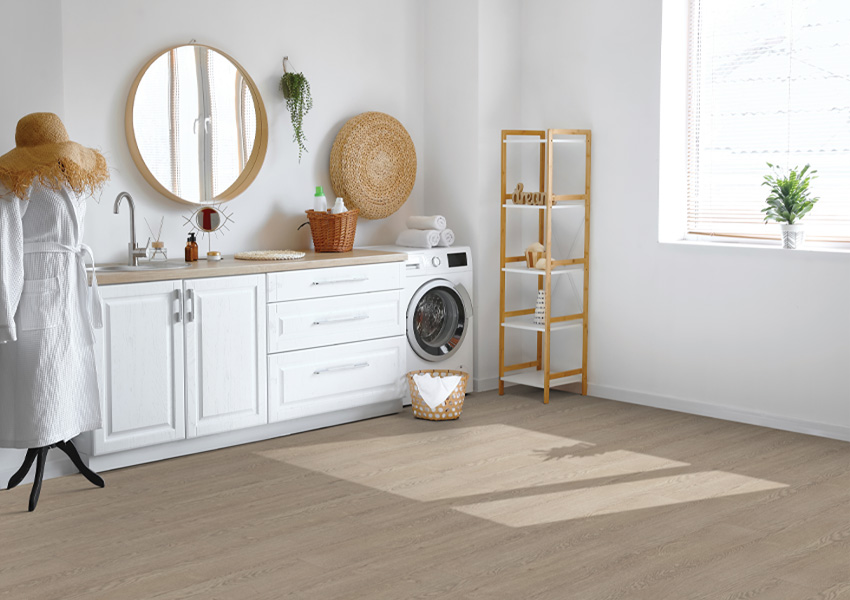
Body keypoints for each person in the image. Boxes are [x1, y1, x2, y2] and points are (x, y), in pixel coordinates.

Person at [0, 112, 109, 510]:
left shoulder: (70, 175)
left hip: (68, 282)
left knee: (68, 368)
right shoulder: (14, 182)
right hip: (36, 288)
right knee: (41, 374)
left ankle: (62, 434)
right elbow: (5, 247)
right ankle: (42, 440)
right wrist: (5, 312)